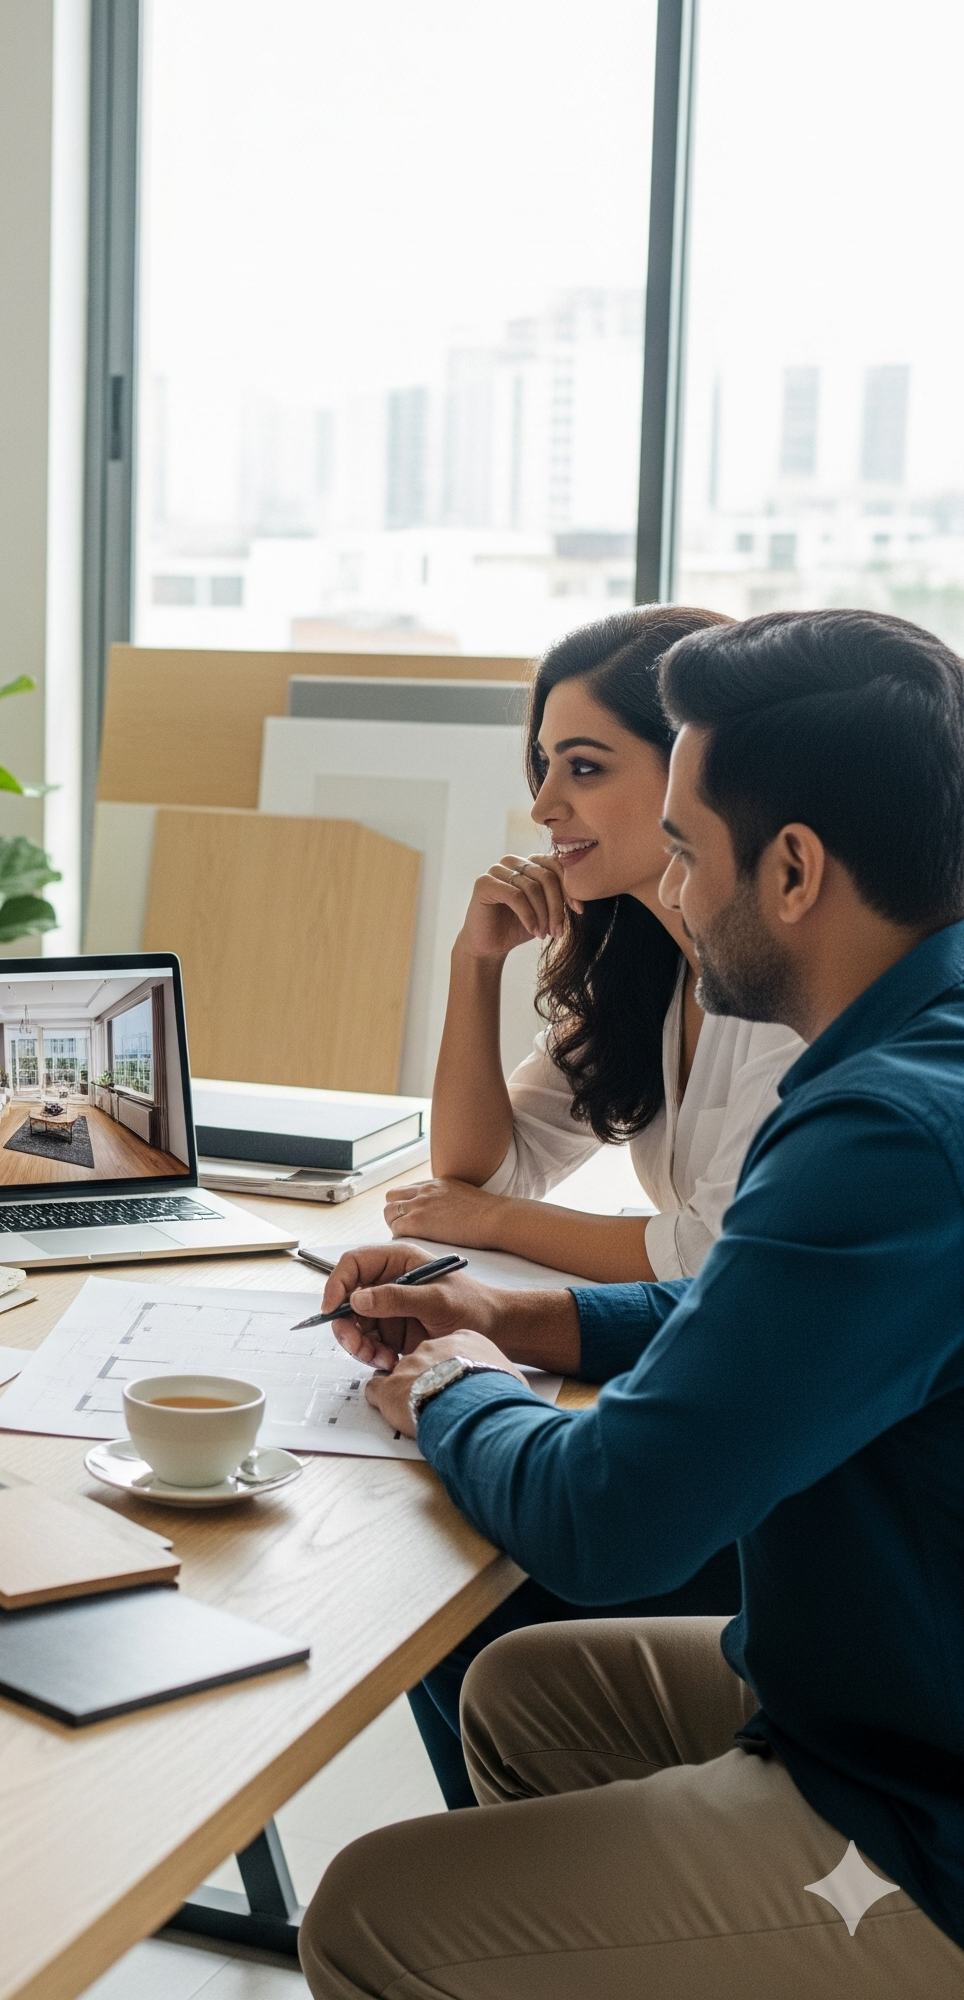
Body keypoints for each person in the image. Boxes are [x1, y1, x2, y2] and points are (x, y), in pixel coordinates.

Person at [299, 607, 964, 1997]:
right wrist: (513, 1319)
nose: (668, 880)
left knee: (375, 1909)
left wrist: (451, 1390)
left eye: (686, 846)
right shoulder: (919, 1051)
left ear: (790, 869)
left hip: (914, 1808)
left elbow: (609, 1518)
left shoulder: (883, 1130)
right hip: (882, 1688)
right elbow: (781, 1321)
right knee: (523, 1691)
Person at [385, 604, 806, 1283]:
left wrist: (489, 1223)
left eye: (583, 767)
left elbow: (712, 1253)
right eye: (545, 764)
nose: (543, 805)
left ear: (695, 770)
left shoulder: (796, 989)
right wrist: (476, 963)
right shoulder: (646, 967)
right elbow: (482, 1178)